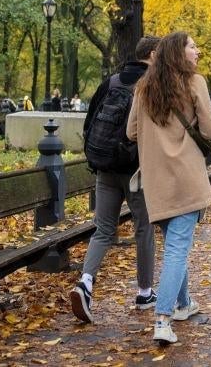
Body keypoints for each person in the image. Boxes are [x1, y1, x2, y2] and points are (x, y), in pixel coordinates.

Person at [128, 32, 211, 345]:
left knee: (174, 246)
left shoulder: (144, 87)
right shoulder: (195, 83)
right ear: (179, 53)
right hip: (186, 179)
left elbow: (131, 131)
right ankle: (163, 318)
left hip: (156, 182)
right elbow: (210, 129)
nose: (198, 50)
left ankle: (183, 304)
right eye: (193, 46)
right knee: (178, 250)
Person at [69, 35, 160, 324]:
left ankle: (85, 282)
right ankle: (145, 292)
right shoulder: (152, 85)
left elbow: (89, 123)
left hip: (106, 168)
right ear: (154, 55)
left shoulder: (112, 82)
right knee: (143, 229)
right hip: (137, 172)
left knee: (103, 230)